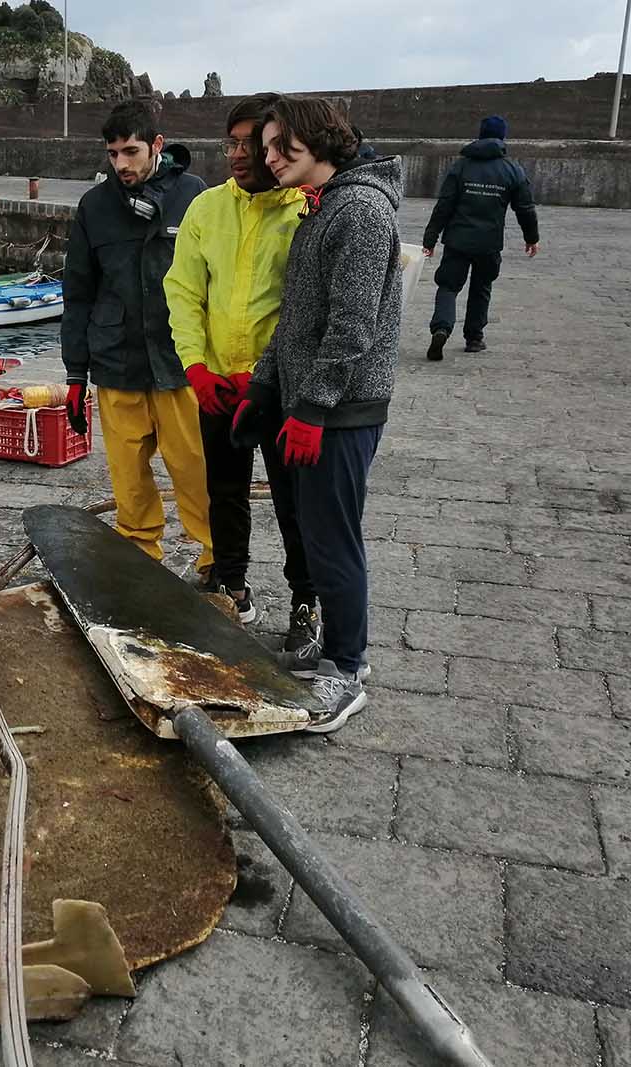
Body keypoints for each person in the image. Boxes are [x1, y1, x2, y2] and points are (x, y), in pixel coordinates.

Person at [231, 96, 404, 732]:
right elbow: (296, 319)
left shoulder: (358, 211)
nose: (267, 158)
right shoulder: (322, 209)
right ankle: (335, 651)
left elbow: (352, 328)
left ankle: (348, 669)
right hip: (311, 403)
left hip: (341, 411)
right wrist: (263, 388)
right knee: (313, 532)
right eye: (267, 147)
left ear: (321, 145)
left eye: (282, 148)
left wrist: (311, 408)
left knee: (333, 538)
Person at [163, 92, 318, 645]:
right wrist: (198, 369)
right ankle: (231, 586)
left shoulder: (305, 211)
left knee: (293, 500)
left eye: (251, 142)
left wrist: (262, 373)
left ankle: (307, 601)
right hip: (217, 387)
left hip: (280, 388)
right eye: (230, 142)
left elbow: (306, 310)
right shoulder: (205, 209)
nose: (237, 153)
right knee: (223, 492)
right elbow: (183, 292)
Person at [62, 101, 214, 577]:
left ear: (157, 146)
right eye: (113, 154)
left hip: (178, 363)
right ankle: (140, 556)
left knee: (196, 471)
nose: (122, 164)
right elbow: (78, 293)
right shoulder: (94, 206)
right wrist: (74, 374)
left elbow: (217, 284)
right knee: (128, 477)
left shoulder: (195, 197)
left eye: (131, 151)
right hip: (116, 363)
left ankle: (217, 559)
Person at [420, 114, 539, 360]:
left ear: (480, 134)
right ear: (503, 137)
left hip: (457, 240)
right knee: (481, 287)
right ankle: (474, 338)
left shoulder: (461, 166)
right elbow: (525, 208)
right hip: (489, 243)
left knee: (448, 286)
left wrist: (429, 239)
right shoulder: (512, 170)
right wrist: (531, 237)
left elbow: (444, 205)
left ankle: (441, 328)